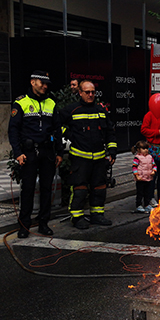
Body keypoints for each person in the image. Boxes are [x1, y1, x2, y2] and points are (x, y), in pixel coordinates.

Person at [8, 70, 63, 238]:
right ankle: (24, 225)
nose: (45, 86)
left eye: (47, 84)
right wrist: (18, 153)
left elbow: (57, 129)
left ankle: (43, 223)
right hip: (29, 153)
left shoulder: (51, 103)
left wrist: (59, 152)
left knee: (47, 188)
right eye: (42, 83)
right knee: (28, 189)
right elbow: (13, 129)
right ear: (33, 82)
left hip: (47, 152)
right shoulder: (21, 102)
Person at [59, 80, 117, 229]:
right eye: (87, 92)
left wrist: (112, 152)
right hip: (80, 159)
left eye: (93, 92)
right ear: (80, 93)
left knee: (99, 188)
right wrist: (69, 134)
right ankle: (77, 217)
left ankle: (97, 215)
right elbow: (56, 125)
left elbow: (110, 131)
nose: (91, 95)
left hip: (99, 159)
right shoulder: (72, 109)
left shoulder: (101, 110)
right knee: (80, 189)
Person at [141, 95, 160, 204]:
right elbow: (143, 130)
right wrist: (157, 132)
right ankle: (150, 197)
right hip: (154, 147)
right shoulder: (149, 115)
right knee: (152, 174)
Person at [131, 140, 157, 214]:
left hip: (148, 178)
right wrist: (136, 175)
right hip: (141, 178)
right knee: (140, 193)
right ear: (138, 150)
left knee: (147, 193)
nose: (146, 150)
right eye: (144, 148)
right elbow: (134, 167)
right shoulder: (137, 158)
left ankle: (147, 205)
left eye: (147, 148)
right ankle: (138, 205)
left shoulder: (150, 157)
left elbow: (154, 165)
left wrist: (154, 171)